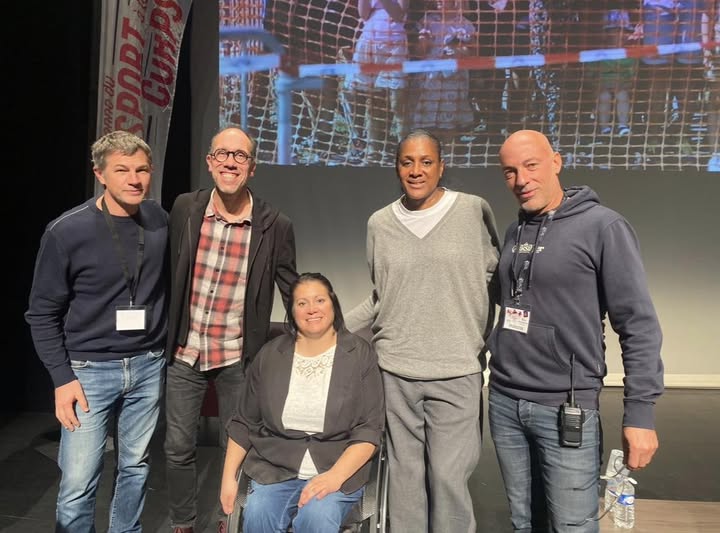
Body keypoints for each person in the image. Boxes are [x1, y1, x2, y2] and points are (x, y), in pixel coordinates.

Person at [489, 129, 664, 532]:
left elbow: (637, 323)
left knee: (572, 526)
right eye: (510, 172)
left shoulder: (603, 227)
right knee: (523, 522)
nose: (521, 179)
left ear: (556, 162)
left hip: (565, 405)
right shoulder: (516, 230)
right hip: (504, 400)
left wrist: (640, 413)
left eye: (531, 166)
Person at [345, 128, 500, 533]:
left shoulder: (471, 211)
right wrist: (332, 330)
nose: (416, 170)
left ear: (441, 166)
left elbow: (497, 282)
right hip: (395, 371)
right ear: (397, 168)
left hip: (456, 372)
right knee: (404, 480)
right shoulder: (380, 223)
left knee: (449, 482)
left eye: (426, 161)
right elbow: (383, 296)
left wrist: (483, 342)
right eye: (407, 162)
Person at [25, 130, 168, 532]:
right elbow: (41, 313)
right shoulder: (67, 231)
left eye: (142, 170)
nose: (134, 179)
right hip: (88, 372)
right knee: (78, 482)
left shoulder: (159, 220)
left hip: (148, 364)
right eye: (122, 170)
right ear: (100, 174)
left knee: (136, 468)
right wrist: (62, 378)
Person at [164, 126, 298, 533]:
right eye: (222, 154)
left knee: (235, 448)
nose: (230, 162)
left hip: (238, 356)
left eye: (240, 156)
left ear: (252, 168)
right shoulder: (185, 208)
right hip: (186, 351)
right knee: (177, 447)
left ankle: (228, 521)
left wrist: (317, 338)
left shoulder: (275, 224)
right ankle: (183, 523)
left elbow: (290, 287)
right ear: (210, 162)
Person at [220, 272, 385, 532]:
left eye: (319, 300)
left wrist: (335, 476)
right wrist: (228, 478)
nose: (312, 309)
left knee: (316, 518)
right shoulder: (271, 355)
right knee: (258, 514)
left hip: (337, 467)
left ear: (333, 304)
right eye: (302, 303)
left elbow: (369, 429)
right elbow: (244, 422)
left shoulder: (359, 355)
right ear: (292, 311)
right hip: (275, 468)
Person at [342, 0, 410, 164]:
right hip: (369, 41)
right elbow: (364, 14)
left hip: (394, 44)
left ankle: (403, 150)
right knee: (364, 96)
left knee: (397, 102)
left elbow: (399, 14)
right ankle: (370, 147)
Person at [409, 0, 476, 141]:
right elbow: (418, 53)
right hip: (429, 77)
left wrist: (457, 51)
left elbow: (473, 53)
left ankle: (449, 149)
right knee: (426, 121)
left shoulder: (464, 24)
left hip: (453, 80)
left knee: (448, 121)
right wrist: (424, 42)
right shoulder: (427, 21)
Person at [592, 8, 638, 137]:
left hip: (622, 85)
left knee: (622, 95)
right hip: (602, 85)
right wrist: (596, 85)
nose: (620, 35)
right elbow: (592, 71)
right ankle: (604, 128)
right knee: (604, 97)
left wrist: (627, 84)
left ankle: (623, 125)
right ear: (607, 33)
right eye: (616, 31)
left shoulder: (630, 53)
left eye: (623, 31)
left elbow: (632, 73)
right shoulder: (599, 52)